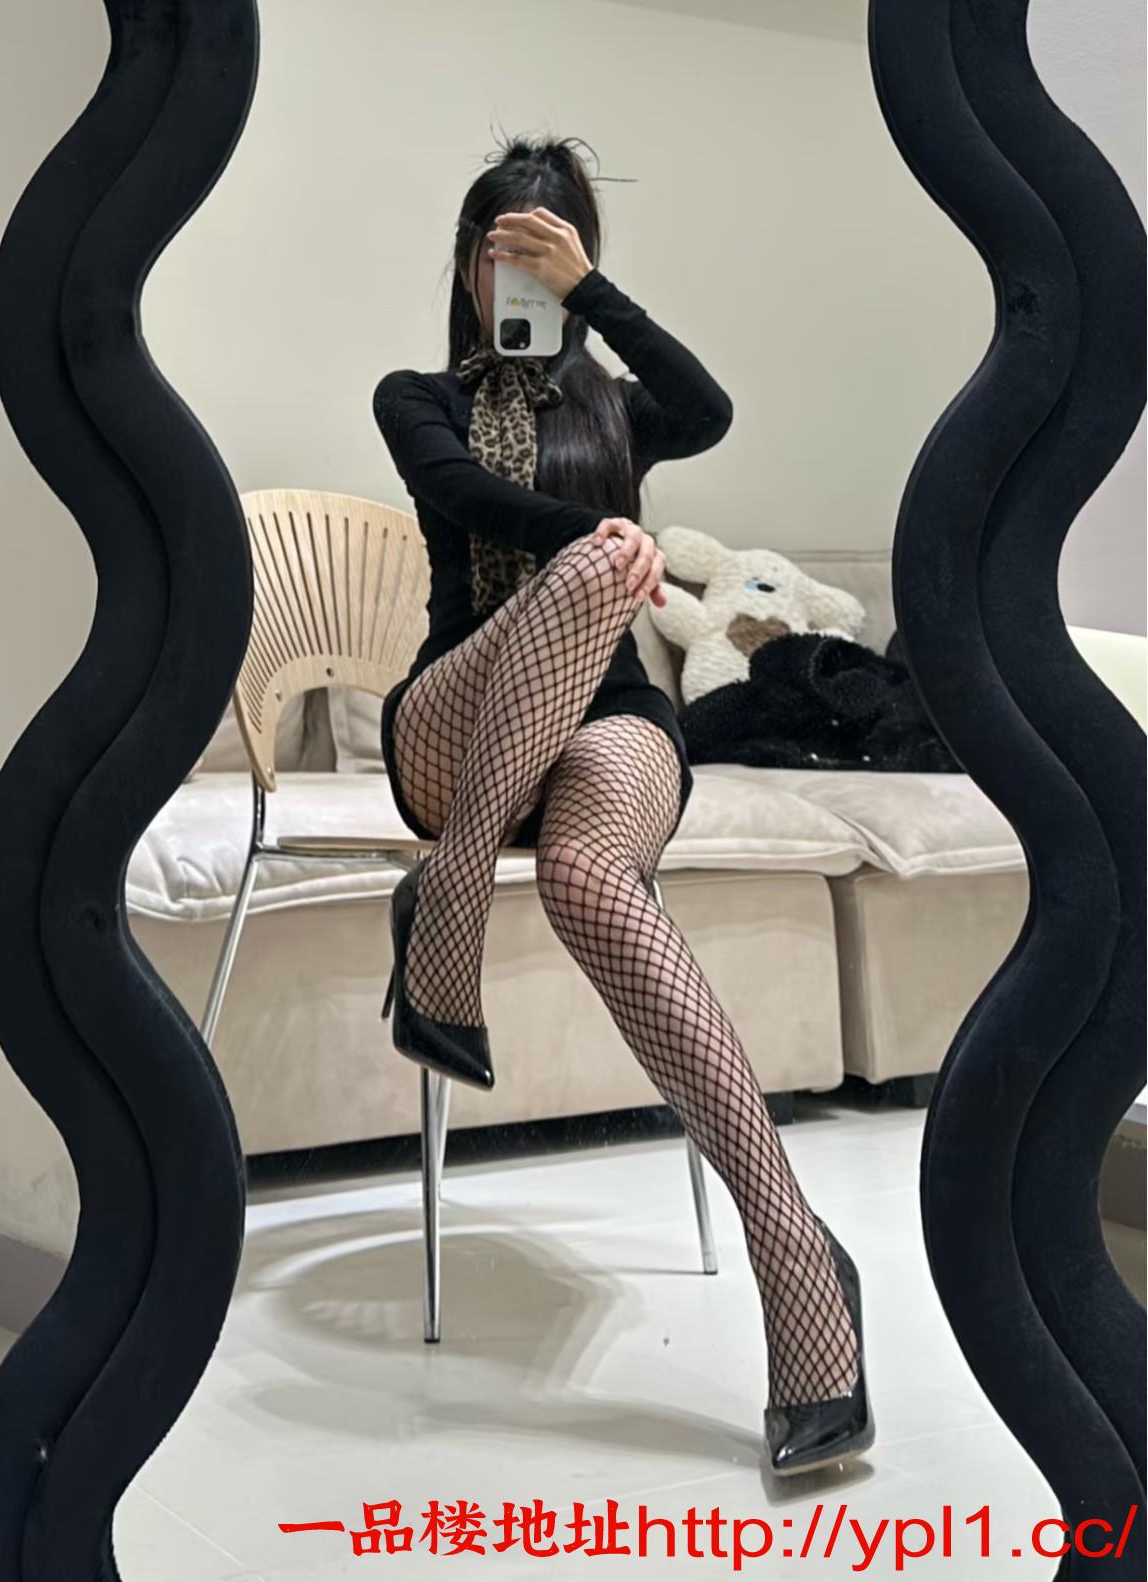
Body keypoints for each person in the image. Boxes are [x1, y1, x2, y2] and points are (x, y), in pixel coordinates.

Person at [371, 133, 872, 1476]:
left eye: (546, 259)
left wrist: (590, 292)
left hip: (610, 717)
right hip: (457, 714)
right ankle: (458, 883)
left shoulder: (622, 411)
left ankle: (797, 1256)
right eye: (504, 257)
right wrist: (596, 549)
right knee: (598, 563)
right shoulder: (416, 397)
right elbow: (466, 497)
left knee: (594, 876)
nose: (520, 284)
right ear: (466, 267)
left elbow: (708, 407)